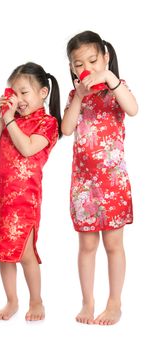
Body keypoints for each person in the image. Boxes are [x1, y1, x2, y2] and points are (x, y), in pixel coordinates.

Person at [62, 31, 138, 325]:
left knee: (114, 245)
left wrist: (111, 79)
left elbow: (133, 108)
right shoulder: (74, 96)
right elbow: (67, 129)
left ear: (105, 58)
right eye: (78, 63)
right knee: (87, 246)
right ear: (72, 68)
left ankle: (115, 302)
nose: (87, 67)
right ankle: (87, 302)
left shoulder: (117, 90)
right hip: (83, 186)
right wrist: (79, 98)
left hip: (113, 183)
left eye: (93, 60)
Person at [0, 62, 61, 321]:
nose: (18, 99)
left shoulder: (48, 123)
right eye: (13, 93)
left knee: (25, 252)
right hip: (0, 194)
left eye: (24, 92)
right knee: (4, 252)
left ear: (42, 93)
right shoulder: (10, 121)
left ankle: (36, 300)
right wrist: (2, 118)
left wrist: (9, 120)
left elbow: (28, 148)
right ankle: (11, 300)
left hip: (25, 196)